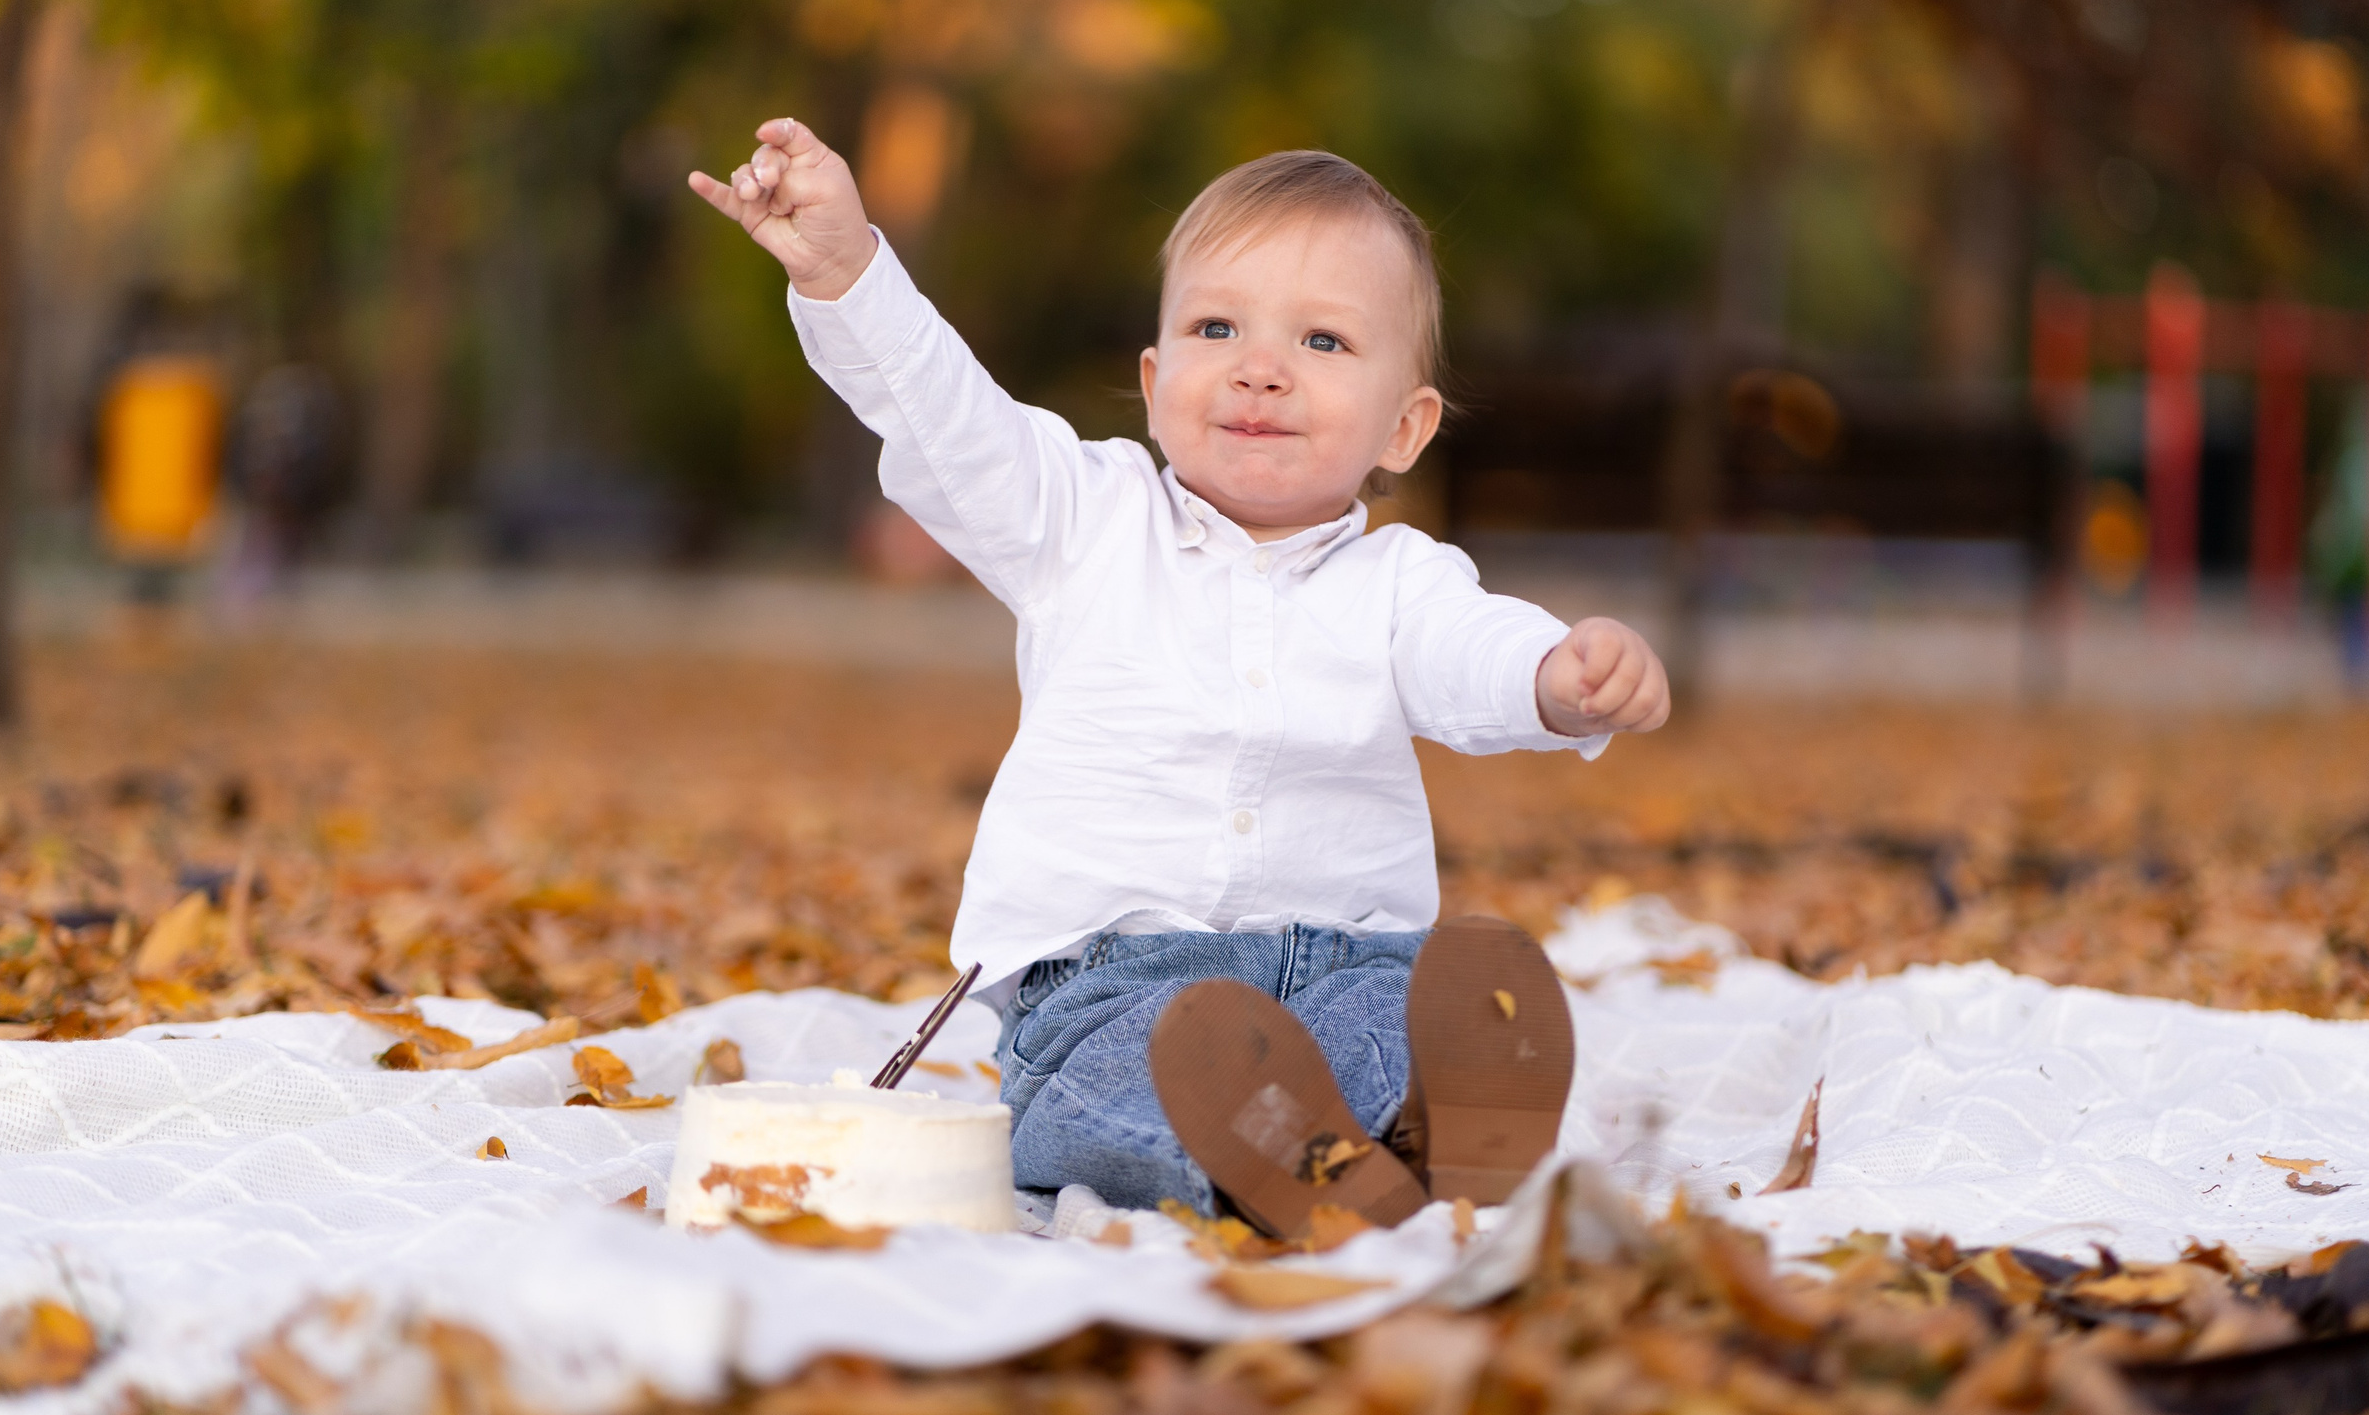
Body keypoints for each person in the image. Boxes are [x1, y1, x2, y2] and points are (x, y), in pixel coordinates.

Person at [690, 120, 1669, 1236]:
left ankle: (1404, 1132)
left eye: (1324, 343)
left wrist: (1554, 674)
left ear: (1404, 427)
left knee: (1408, 1007)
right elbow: (948, 423)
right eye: (1218, 327)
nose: (1260, 366)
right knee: (1105, 1088)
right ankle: (1297, 1158)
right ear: (1154, 386)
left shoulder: (1404, 581)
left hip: (1346, 960)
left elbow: (1468, 656)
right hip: (1111, 979)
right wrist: (845, 271)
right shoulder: (1079, 520)